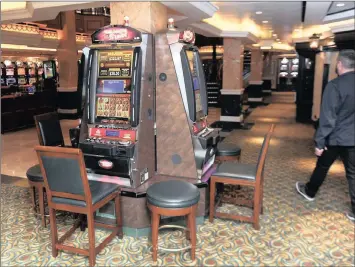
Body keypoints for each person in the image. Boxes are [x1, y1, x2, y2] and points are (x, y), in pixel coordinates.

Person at [296, 49, 355, 222]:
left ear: (339, 64)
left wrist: (319, 142)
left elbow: (328, 117)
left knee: (322, 166)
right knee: (353, 173)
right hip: (353, 138)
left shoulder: (335, 85)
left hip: (335, 137)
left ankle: (310, 191)